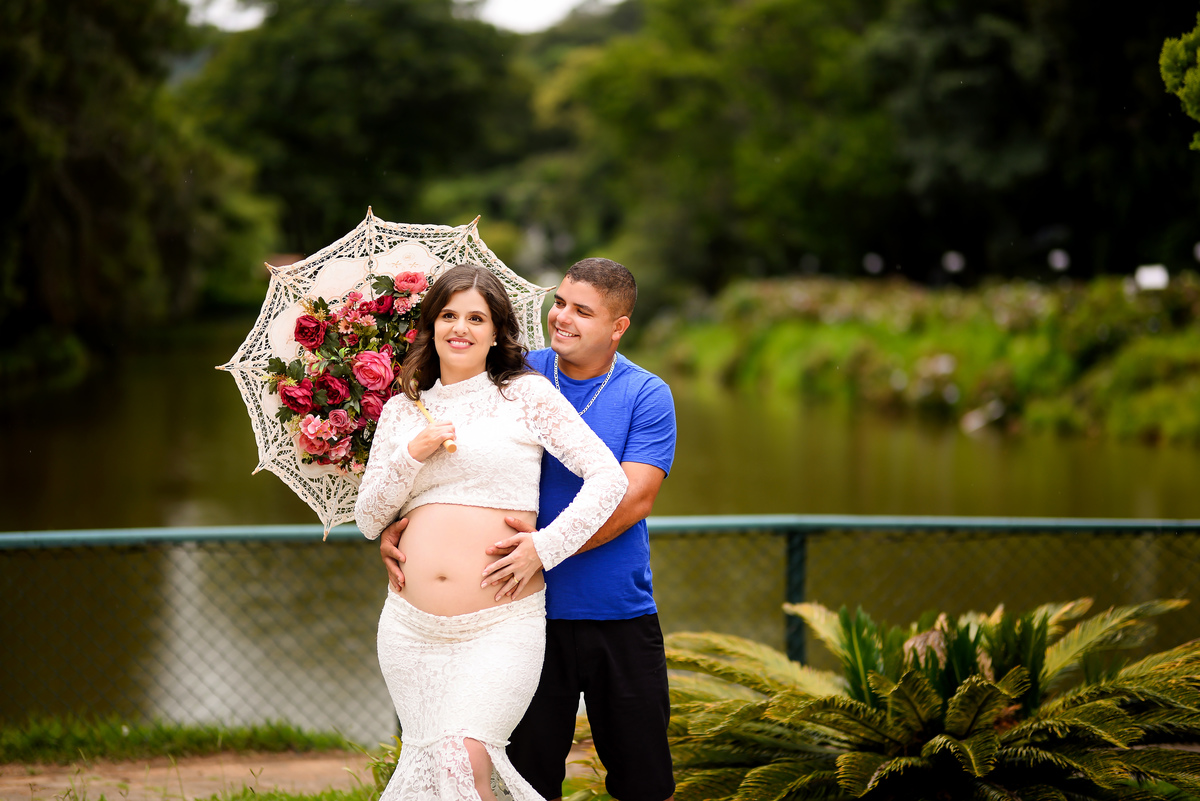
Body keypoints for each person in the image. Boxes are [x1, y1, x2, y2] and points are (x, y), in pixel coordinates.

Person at [381, 258, 678, 801]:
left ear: (619, 326)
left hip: (616, 610)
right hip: (519, 613)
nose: (561, 317)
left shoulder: (647, 394)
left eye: (582, 311)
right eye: (560, 302)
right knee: (527, 774)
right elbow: (450, 461)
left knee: (643, 780)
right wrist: (403, 525)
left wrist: (542, 548)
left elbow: (633, 497)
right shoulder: (515, 375)